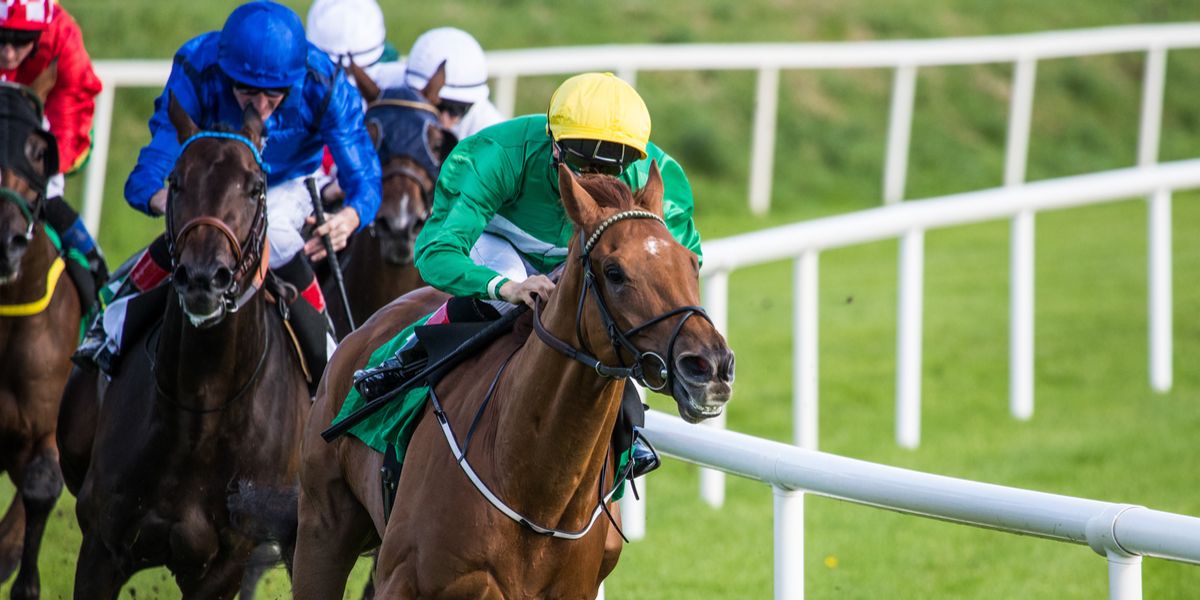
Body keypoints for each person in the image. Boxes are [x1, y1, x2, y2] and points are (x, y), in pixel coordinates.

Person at [412, 72, 701, 478]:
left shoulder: (653, 173)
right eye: (582, 160)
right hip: (497, 243)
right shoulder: (495, 155)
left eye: (612, 165)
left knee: (608, 312)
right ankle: (406, 363)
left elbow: (684, 262)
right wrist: (507, 286)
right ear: (554, 142)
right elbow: (434, 251)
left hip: (581, 254)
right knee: (508, 304)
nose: (596, 175)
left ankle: (627, 431)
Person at [74, 0, 381, 381]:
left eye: (275, 95)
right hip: (213, 181)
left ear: (293, 81)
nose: (261, 107)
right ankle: (109, 328)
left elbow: (364, 177)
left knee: (277, 235)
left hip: (287, 182)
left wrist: (351, 217)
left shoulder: (324, 83)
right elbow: (148, 171)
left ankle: (328, 359)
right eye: (248, 92)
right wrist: (170, 201)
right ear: (226, 73)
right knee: (191, 234)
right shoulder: (198, 66)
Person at [1, 0, 107, 302]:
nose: (9, 53)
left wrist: (40, 170)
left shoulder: (63, 37)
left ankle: (97, 276)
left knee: (47, 196)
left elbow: (70, 112)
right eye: (1, 39)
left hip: (41, 123)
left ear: (40, 34)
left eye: (21, 41)